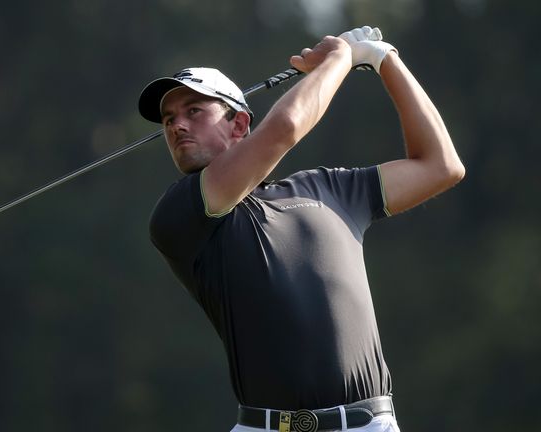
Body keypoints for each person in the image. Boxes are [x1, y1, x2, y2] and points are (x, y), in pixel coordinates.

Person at [138, 26, 465, 432]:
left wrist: (384, 59)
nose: (176, 127)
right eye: (169, 119)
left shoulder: (328, 188)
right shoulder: (180, 213)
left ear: (239, 124)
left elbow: (441, 166)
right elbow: (287, 128)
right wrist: (340, 58)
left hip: (369, 426)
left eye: (193, 111)